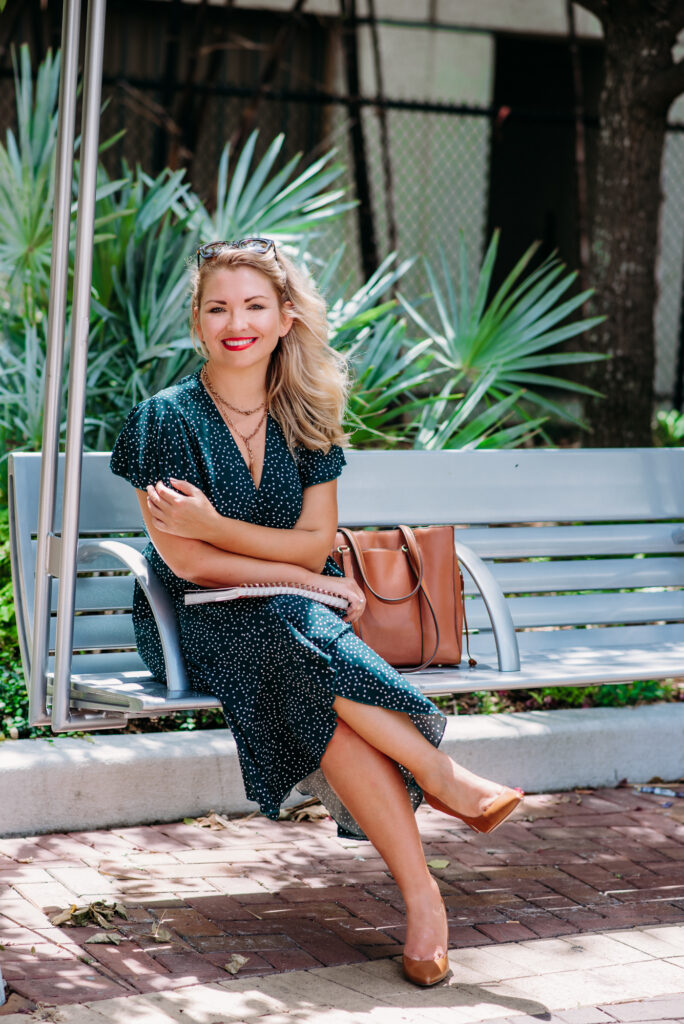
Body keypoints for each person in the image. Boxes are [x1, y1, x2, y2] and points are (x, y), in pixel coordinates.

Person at [110, 237, 523, 987]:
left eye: (254, 306)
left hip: (297, 620)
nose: (237, 321)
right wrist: (304, 576)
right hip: (193, 620)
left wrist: (237, 537)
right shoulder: (162, 420)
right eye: (218, 307)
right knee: (286, 629)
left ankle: (424, 898)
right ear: (197, 322)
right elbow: (187, 562)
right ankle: (438, 776)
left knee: (301, 661)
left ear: (285, 315)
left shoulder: (308, 414)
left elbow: (310, 547)